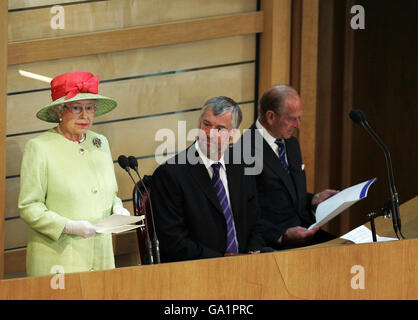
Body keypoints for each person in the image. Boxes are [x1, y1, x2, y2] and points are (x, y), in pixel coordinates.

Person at [18, 71, 130, 277]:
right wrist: (67, 226)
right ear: (60, 111)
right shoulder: (39, 147)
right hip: (59, 262)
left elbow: (109, 192)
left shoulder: (100, 142)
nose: (85, 115)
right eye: (77, 108)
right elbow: (29, 206)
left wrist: (117, 207)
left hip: (101, 258)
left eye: (89, 108)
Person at [151, 96, 265, 262]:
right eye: (207, 125)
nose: (210, 134)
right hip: (198, 269)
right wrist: (222, 261)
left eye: (220, 129)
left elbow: (256, 224)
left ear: (232, 134)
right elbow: (174, 241)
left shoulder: (242, 166)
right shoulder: (170, 174)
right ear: (198, 124)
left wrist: (251, 255)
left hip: (245, 265)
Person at [240, 84, 338, 249]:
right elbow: (244, 213)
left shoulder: (291, 144)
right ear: (271, 117)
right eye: (292, 119)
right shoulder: (245, 150)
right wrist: (282, 235)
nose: (298, 125)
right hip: (274, 245)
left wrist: (313, 200)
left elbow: (283, 196)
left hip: (306, 233)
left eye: (299, 118)